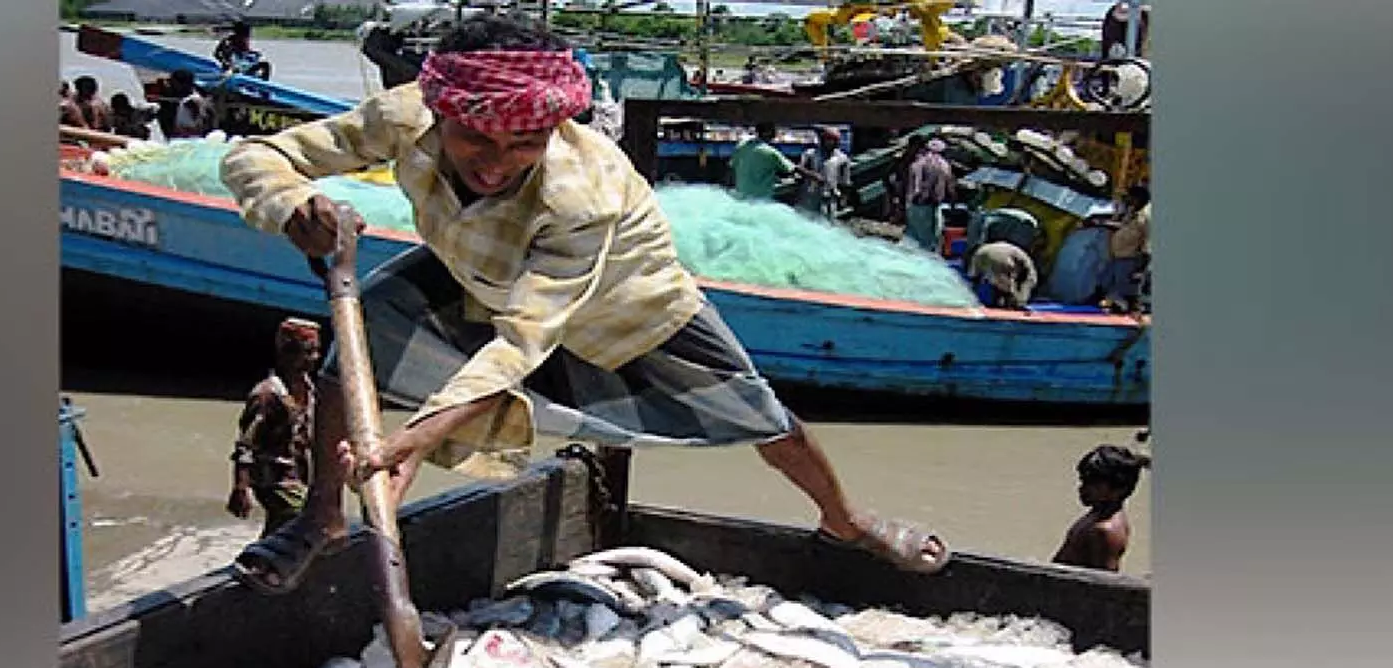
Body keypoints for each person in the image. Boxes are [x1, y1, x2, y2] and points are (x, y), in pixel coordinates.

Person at [217, 14, 950, 595]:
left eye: (524, 143)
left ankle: (845, 519)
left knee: (764, 420)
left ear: (552, 129)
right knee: (358, 340)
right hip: (474, 268)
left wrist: (417, 438)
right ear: (438, 113)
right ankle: (323, 518)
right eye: (474, 137)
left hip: (627, 301)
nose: (495, 162)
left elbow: (524, 341)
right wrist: (290, 204)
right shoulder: (401, 114)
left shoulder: (582, 190)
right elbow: (255, 157)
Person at [229, 319, 322, 538]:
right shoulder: (267, 395)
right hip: (274, 478)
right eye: (307, 352)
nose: (315, 358)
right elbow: (245, 446)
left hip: (298, 473)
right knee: (302, 517)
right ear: (288, 353)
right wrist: (240, 489)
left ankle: (258, 563)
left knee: (282, 527)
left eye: (316, 351)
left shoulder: (307, 386)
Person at [1052, 444, 1148, 572]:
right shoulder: (1097, 513)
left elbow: (1105, 583)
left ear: (1118, 489)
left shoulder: (1105, 531)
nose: (1082, 488)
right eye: (1083, 480)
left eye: (1093, 483)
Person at [1099, 184, 1150, 313]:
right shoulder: (1130, 214)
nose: (1127, 200)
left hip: (1130, 259)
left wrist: (1141, 267)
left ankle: (1131, 311)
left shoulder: (1144, 218)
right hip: (1117, 257)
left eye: (1130, 197)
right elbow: (1120, 226)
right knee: (1110, 283)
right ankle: (1119, 305)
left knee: (1127, 288)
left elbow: (1147, 243)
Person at [727, 122, 803, 202]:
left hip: (742, 193)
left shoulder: (741, 146)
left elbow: (730, 168)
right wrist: (816, 177)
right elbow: (795, 169)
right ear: (769, 133)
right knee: (798, 181)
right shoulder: (770, 152)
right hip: (761, 196)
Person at [903, 138, 954, 254]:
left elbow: (910, 185)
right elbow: (950, 187)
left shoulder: (916, 164)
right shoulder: (944, 165)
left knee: (912, 236)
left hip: (913, 204)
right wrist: (952, 203)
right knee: (930, 240)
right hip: (931, 206)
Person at [795, 126, 853, 219]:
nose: (830, 142)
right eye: (827, 139)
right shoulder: (810, 154)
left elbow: (845, 182)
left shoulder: (842, 158)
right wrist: (812, 175)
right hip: (810, 195)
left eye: (833, 140)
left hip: (829, 198)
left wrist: (843, 199)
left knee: (827, 223)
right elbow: (798, 168)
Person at [968, 240, 1038, 309]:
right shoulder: (990, 247)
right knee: (1005, 286)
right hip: (1012, 259)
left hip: (1003, 259)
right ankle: (1013, 305)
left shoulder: (978, 254)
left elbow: (974, 278)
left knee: (1001, 284)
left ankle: (1006, 304)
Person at [162, 70, 213, 140]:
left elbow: (200, 124)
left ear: (183, 84)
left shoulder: (192, 101)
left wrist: (183, 132)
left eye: (174, 83)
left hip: (188, 138)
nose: (172, 85)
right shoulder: (189, 99)